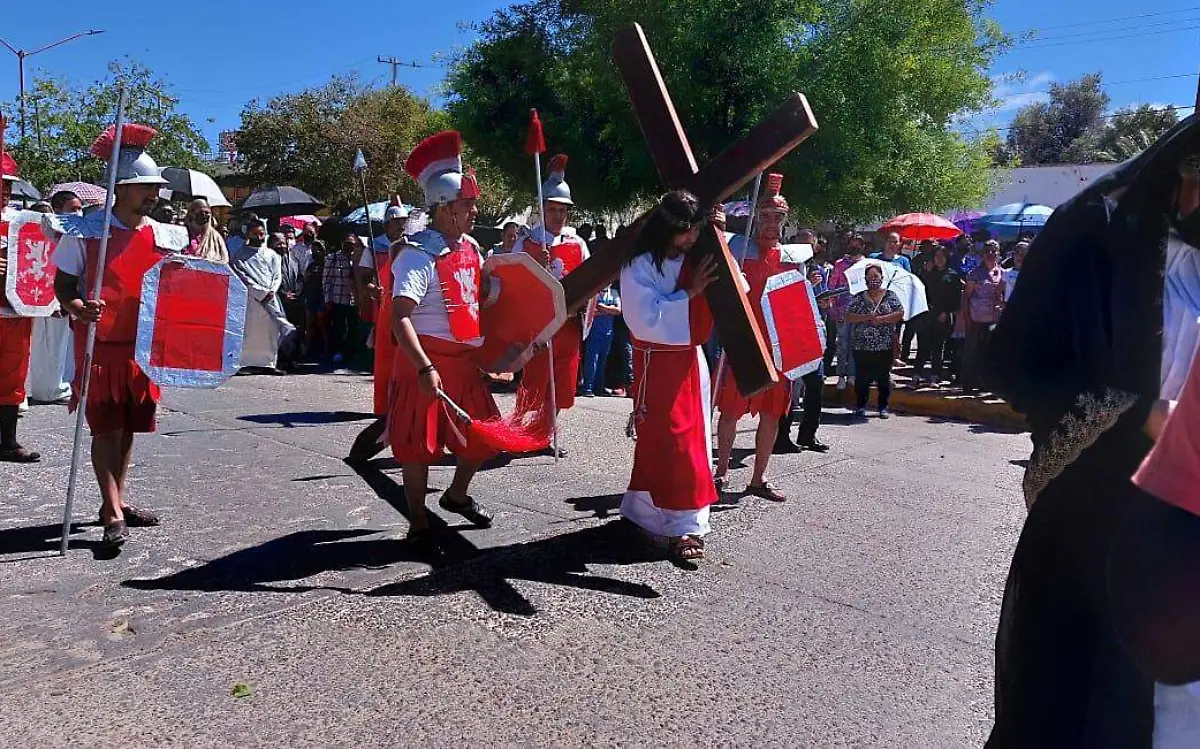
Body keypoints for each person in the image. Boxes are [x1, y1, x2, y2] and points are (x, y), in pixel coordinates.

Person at [982, 120, 1200, 746]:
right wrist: (1141, 413)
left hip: (1191, 519)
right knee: (1085, 694)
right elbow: (1022, 366)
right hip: (1099, 508)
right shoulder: (1099, 242)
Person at [50, 122, 186, 547]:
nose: (154, 194)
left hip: (142, 348)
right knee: (104, 428)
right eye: (145, 187)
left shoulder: (164, 236)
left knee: (128, 429)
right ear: (121, 188)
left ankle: (118, 501)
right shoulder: (86, 231)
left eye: (157, 188)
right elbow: (63, 287)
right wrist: (79, 309)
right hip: (99, 346)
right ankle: (111, 512)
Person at [388, 130, 498, 544]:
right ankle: (417, 517)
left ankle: (455, 496)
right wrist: (424, 367)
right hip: (427, 361)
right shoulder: (418, 254)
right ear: (445, 209)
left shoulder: (471, 246)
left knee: (482, 437)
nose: (473, 211)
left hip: (465, 363)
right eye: (467, 205)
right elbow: (401, 318)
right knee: (416, 445)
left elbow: (477, 298)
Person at [619, 190, 720, 562]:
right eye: (685, 231)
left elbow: (735, 289)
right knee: (658, 440)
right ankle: (643, 510)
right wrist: (689, 292)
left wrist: (720, 242)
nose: (692, 238)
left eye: (697, 230)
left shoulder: (699, 257)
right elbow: (643, 318)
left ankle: (687, 527)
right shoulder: (639, 264)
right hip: (655, 362)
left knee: (687, 444)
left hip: (689, 363)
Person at [713, 173, 801, 501]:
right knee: (731, 410)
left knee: (772, 412)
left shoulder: (794, 258)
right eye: (765, 217)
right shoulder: (739, 248)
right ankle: (720, 472)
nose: (771, 223)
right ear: (756, 218)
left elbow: (797, 307)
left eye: (777, 218)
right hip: (744, 341)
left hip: (777, 348)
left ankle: (759, 478)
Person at [512, 154, 590, 456]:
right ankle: (519, 432)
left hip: (568, 327)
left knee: (562, 386)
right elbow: (514, 286)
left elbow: (589, 285)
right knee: (533, 384)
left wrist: (581, 305)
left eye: (563, 210)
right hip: (539, 329)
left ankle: (545, 434)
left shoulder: (577, 243)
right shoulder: (526, 243)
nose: (558, 216)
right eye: (553, 209)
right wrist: (534, 266)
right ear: (542, 209)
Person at [349, 202, 410, 461]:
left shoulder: (411, 245)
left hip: (405, 303)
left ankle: (402, 404)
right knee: (385, 357)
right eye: (397, 222)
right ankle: (383, 406)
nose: (401, 225)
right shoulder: (374, 246)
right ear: (388, 224)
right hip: (384, 306)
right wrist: (371, 287)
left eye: (404, 221)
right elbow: (363, 277)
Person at [0, 150, 39, 463]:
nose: (5, 191)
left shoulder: (22, 222)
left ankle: (8, 442)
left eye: (8, 185)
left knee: (12, 378)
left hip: (14, 312)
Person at [230, 221, 298, 374]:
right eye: (255, 234)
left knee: (271, 331)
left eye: (261, 234)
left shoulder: (271, 254)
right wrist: (260, 292)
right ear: (248, 234)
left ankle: (269, 364)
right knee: (251, 332)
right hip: (251, 300)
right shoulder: (239, 256)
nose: (259, 237)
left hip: (270, 298)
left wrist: (271, 291)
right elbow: (242, 276)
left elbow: (277, 275)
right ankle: (246, 364)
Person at [844, 264, 904, 418]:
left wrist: (881, 319)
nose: (873, 280)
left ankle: (883, 407)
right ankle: (861, 405)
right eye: (870, 277)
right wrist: (866, 317)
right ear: (865, 280)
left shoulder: (890, 296)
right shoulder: (858, 297)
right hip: (861, 345)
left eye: (876, 277)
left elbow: (899, 313)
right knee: (862, 378)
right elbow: (849, 316)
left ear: (882, 278)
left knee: (883, 377)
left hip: (884, 345)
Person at [959, 239, 1005, 393]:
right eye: (987, 251)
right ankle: (967, 383)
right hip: (975, 318)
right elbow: (966, 297)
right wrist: (966, 317)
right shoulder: (975, 273)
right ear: (982, 254)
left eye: (994, 251)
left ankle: (986, 384)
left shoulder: (1002, 273)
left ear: (999, 254)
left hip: (994, 319)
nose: (991, 254)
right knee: (971, 352)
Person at [914, 246, 962, 385]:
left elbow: (956, 298)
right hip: (926, 314)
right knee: (923, 346)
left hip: (943, 316)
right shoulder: (928, 272)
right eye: (937, 256)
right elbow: (921, 291)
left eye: (942, 256)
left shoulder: (952, 275)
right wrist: (926, 273)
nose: (939, 259)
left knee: (938, 348)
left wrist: (946, 312)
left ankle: (935, 375)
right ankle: (917, 374)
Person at [827, 235, 866, 387]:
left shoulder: (866, 264)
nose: (855, 247)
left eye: (858, 245)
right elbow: (832, 286)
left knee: (855, 344)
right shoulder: (840, 264)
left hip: (860, 311)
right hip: (842, 310)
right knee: (842, 344)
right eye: (852, 244)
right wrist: (833, 308)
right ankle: (841, 375)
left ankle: (852, 374)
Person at [578, 283, 621, 397]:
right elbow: (590, 312)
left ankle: (599, 387)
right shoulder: (593, 294)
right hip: (594, 332)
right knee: (592, 360)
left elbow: (618, 310)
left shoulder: (614, 293)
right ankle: (588, 387)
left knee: (603, 360)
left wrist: (602, 308)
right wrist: (608, 311)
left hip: (608, 332)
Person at [323, 235, 358, 366]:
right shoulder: (333, 258)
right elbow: (326, 280)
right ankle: (338, 351)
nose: (350, 246)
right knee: (339, 327)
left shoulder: (357, 257)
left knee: (353, 327)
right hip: (338, 298)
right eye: (347, 243)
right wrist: (327, 299)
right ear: (342, 242)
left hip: (353, 299)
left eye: (352, 243)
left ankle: (351, 353)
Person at [302, 239, 328, 358]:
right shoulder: (311, 265)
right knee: (310, 324)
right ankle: (307, 349)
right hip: (311, 296)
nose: (316, 251)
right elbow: (306, 280)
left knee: (323, 324)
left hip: (322, 296)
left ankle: (327, 349)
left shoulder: (327, 263)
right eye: (314, 249)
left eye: (319, 248)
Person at [183, 198, 228, 264]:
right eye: (200, 212)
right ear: (191, 214)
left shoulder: (216, 237)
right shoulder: (182, 233)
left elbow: (224, 259)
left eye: (207, 212)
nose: (204, 215)